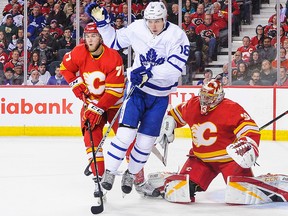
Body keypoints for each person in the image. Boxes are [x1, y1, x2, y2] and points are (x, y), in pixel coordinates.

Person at [85, 1, 189, 195]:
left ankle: (131, 174)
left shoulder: (177, 36)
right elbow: (114, 42)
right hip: (137, 91)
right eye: (150, 21)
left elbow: (174, 69)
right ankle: (109, 173)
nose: (153, 25)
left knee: (146, 143)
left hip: (159, 96)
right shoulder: (137, 28)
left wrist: (148, 72)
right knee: (125, 135)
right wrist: (103, 24)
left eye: (157, 21)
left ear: (165, 19)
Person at [142, 79, 261, 203]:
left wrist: (248, 143)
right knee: (179, 191)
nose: (204, 100)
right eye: (203, 96)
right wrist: (168, 123)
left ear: (219, 97)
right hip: (201, 161)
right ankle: (171, 178)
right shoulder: (193, 104)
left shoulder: (231, 108)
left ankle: (264, 183)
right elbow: (175, 115)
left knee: (242, 195)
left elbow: (249, 128)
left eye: (209, 97)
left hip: (230, 160)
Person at [60, 22, 125, 199]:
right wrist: (76, 85)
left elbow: (114, 91)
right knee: (91, 137)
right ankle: (98, 175)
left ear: (101, 38)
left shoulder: (113, 57)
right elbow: (65, 69)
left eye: (94, 35)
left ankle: (137, 176)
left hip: (114, 106)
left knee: (126, 138)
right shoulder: (79, 51)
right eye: (88, 36)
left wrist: (97, 109)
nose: (90, 39)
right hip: (92, 105)